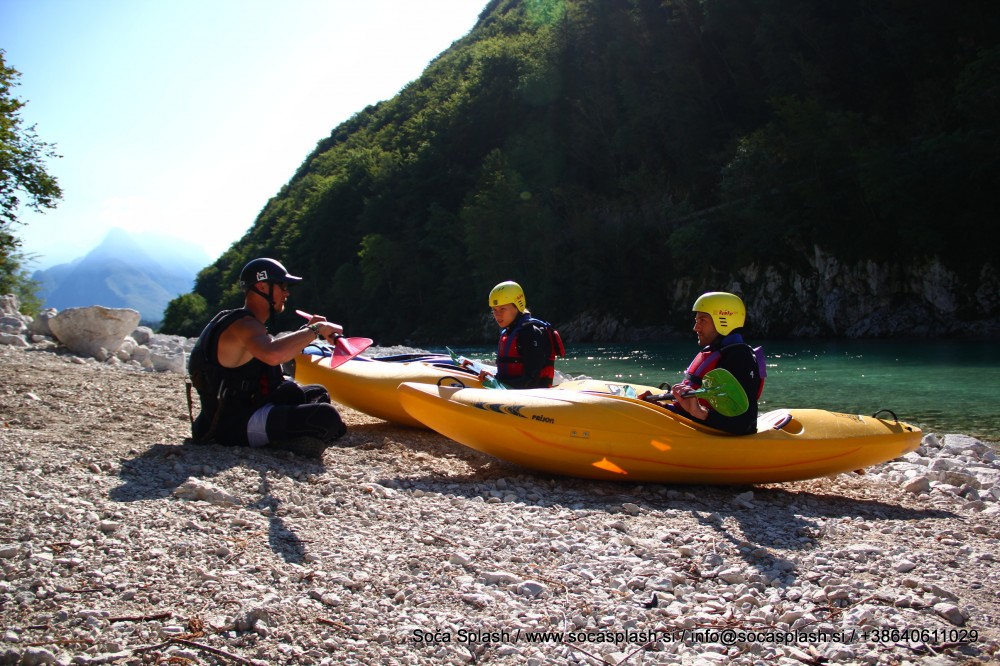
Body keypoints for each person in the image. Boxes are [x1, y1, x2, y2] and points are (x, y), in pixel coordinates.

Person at [186, 258, 347, 458]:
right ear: (262, 286)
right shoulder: (244, 326)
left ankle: (288, 438)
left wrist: (307, 331)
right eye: (282, 286)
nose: (286, 293)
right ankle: (283, 442)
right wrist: (316, 330)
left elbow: (274, 351)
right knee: (326, 416)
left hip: (243, 409)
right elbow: (273, 355)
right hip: (232, 425)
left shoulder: (244, 322)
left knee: (317, 393)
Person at [650, 292, 764, 435]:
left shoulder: (740, 359)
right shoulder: (716, 351)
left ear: (724, 319)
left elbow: (744, 424)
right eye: (696, 320)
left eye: (702, 320)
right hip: (698, 425)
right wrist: (660, 407)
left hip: (716, 437)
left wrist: (700, 412)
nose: (696, 327)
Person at [484, 280, 565, 389]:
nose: (497, 314)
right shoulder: (508, 332)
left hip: (535, 396)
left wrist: (497, 380)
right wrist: (492, 378)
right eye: (494, 310)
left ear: (517, 307)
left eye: (503, 309)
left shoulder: (530, 333)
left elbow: (531, 381)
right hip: (512, 391)